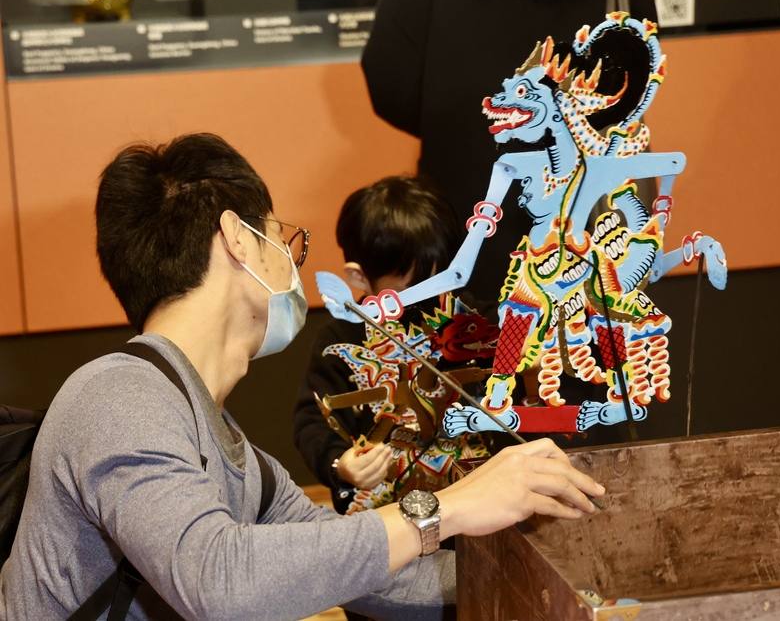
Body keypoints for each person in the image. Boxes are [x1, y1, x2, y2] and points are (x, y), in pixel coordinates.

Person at [0, 133, 604, 620]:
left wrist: (557, 587)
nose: (292, 262)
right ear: (238, 238)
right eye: (281, 237)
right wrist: (444, 510)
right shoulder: (115, 396)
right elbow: (218, 581)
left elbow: (376, 577)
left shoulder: (239, 459)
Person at [361, 0, 658, 299]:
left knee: (463, 331)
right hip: (583, 228)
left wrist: (468, 125)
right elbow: (639, 73)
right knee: (587, 333)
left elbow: (389, 82)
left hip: (465, 207)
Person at [293, 176, 464, 515]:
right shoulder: (339, 338)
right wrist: (340, 465)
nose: (428, 295)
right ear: (359, 278)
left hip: (469, 500)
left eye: (440, 277)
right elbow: (310, 419)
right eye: (412, 285)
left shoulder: (466, 316)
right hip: (386, 512)